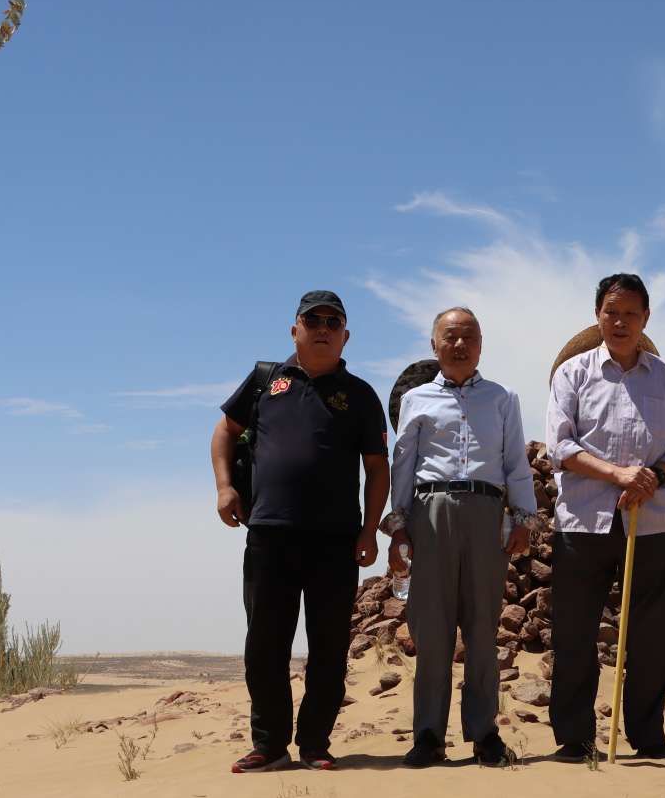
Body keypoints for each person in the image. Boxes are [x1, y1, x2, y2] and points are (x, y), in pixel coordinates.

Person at [210, 290, 389, 772]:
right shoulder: (265, 381)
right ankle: (269, 745)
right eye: (314, 320)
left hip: (335, 539)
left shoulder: (360, 395)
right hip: (270, 533)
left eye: (333, 322)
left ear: (346, 336)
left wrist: (370, 530)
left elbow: (377, 467)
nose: (323, 328)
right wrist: (225, 487)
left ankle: (314, 744)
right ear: (295, 330)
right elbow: (225, 431)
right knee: (264, 645)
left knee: (328, 646)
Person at [544, 273, 665, 760]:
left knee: (649, 635)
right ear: (598, 315)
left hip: (650, 521)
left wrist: (652, 477)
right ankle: (575, 739)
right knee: (574, 632)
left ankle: (648, 737)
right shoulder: (573, 374)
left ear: (646, 318)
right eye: (612, 312)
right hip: (582, 522)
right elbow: (560, 446)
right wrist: (617, 474)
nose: (621, 321)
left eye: (631, 313)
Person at [385, 308, 535, 768]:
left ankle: (485, 734)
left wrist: (523, 518)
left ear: (481, 345)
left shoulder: (502, 398)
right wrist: (398, 525)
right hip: (431, 513)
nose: (459, 345)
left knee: (482, 629)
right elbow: (403, 464)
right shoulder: (416, 399)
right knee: (432, 631)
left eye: (469, 336)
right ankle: (428, 735)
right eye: (450, 336)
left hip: (487, 513)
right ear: (434, 345)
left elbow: (515, 462)